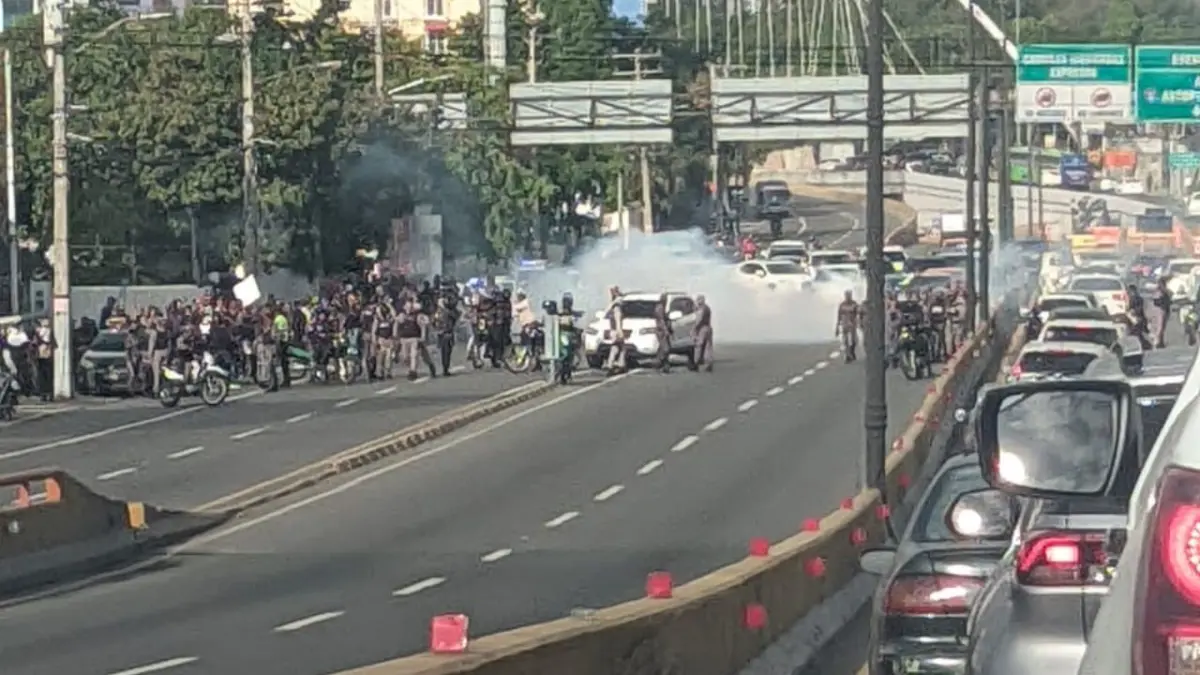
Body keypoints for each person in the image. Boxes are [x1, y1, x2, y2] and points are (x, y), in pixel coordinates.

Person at [834, 289, 861, 362]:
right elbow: (839, 316)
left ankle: (852, 351)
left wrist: (859, 322)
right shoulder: (842, 305)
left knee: (854, 340)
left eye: (849, 295)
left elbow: (858, 314)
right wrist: (837, 327)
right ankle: (848, 355)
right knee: (845, 340)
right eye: (846, 295)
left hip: (853, 324)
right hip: (845, 324)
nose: (848, 297)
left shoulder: (854, 304)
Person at [691, 294, 713, 372]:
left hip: (702, 328)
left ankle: (696, 363)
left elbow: (699, 320)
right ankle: (708, 364)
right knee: (708, 347)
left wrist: (694, 329)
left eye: (698, 300)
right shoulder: (707, 308)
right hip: (708, 328)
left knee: (698, 346)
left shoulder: (702, 309)